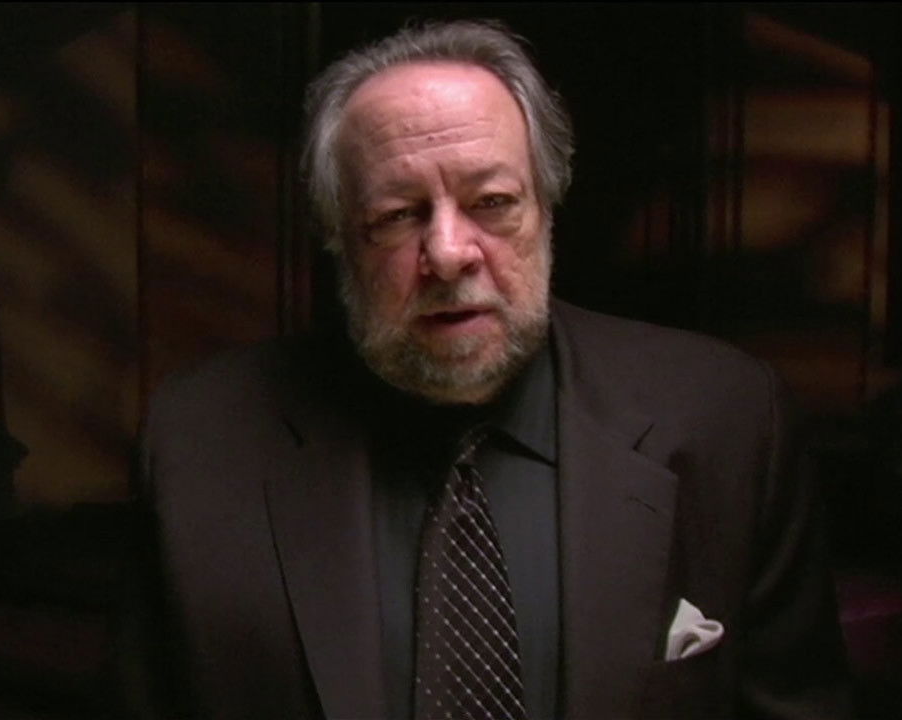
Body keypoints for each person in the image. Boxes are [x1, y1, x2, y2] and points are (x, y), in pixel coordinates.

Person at [129, 19, 852, 720]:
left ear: (547, 208)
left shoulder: (727, 418)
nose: (449, 253)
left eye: (493, 203)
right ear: (339, 234)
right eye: (398, 213)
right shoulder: (200, 444)